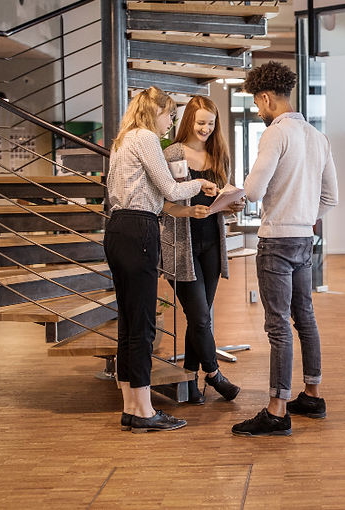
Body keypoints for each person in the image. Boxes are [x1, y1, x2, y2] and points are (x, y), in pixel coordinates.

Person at [232, 62, 338, 437]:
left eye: (258, 105)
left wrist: (237, 195)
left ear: (265, 97)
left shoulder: (276, 134)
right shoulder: (317, 136)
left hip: (276, 240)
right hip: (304, 239)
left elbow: (255, 190)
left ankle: (277, 411)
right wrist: (306, 216)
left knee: (277, 326)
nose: (259, 112)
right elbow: (331, 197)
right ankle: (312, 394)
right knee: (304, 317)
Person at [104, 86, 217, 433]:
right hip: (140, 228)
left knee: (128, 322)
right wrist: (202, 186)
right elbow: (171, 190)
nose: (171, 122)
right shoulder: (147, 139)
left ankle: (132, 404)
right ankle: (144, 411)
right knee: (142, 325)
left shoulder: (123, 140)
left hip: (118, 228)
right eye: (169, 114)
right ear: (156, 112)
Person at [161, 95, 246, 404]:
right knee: (199, 316)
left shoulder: (217, 153)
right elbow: (163, 203)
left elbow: (222, 197)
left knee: (201, 317)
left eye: (211, 124)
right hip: (181, 246)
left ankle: (189, 381)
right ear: (188, 122)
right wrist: (186, 211)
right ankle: (214, 375)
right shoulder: (172, 153)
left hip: (211, 243)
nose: (206, 129)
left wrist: (233, 203)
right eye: (200, 123)